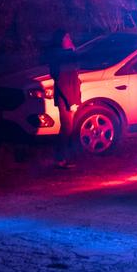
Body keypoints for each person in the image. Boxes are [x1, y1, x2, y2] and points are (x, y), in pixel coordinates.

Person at [45, 30, 80, 169]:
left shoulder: (65, 55)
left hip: (68, 95)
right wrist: (70, 101)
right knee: (67, 128)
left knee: (67, 127)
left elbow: (74, 74)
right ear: (60, 40)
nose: (69, 39)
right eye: (66, 37)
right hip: (66, 96)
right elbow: (64, 80)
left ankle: (62, 156)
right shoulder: (62, 57)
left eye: (69, 36)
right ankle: (61, 157)